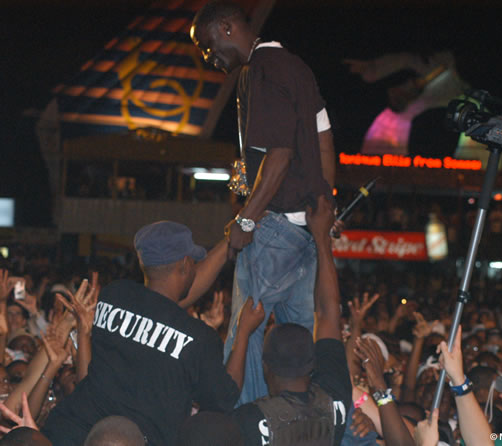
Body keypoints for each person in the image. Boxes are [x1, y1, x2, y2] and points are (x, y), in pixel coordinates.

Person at [190, 0, 336, 404]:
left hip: (272, 229)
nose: (207, 56)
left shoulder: (262, 70)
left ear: (225, 28)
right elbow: (324, 136)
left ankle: (243, 428)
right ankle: (303, 423)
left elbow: (280, 155)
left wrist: (246, 221)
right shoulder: (295, 66)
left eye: (206, 45)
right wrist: (325, 197)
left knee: (245, 337)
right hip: (304, 231)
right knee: (298, 345)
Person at [42, 221, 265, 446]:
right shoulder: (199, 338)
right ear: (186, 264)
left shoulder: (114, 295)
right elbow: (226, 398)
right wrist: (243, 331)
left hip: (69, 432)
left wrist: (229, 242)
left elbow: (161, 309)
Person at [178, 195, 351, 446]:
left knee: (251, 314)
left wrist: (245, 333)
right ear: (314, 362)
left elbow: (227, 394)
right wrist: (322, 241)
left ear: (265, 366)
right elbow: (328, 312)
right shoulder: (335, 401)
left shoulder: (248, 420)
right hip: (308, 235)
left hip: (286, 229)